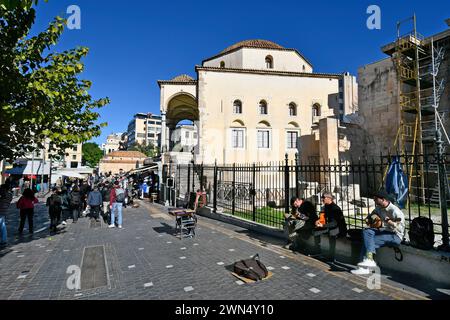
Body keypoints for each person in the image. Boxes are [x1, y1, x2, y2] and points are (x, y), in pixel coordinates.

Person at [351, 190, 405, 275]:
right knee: (366, 232)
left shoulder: (395, 211)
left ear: (383, 199)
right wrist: (369, 218)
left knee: (368, 242)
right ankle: (368, 262)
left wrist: (389, 221)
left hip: (395, 235)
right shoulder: (379, 208)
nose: (374, 200)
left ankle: (367, 264)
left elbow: (399, 228)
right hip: (385, 231)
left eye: (376, 199)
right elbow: (372, 214)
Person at [312, 192, 347, 261]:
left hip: (339, 227)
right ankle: (317, 251)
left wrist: (323, 225)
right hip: (329, 225)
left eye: (323, 198)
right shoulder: (326, 206)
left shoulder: (335, 208)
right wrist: (318, 221)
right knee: (316, 231)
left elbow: (335, 223)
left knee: (332, 233)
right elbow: (323, 217)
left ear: (329, 198)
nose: (322, 199)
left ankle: (331, 256)